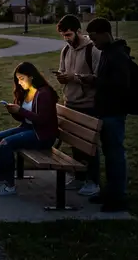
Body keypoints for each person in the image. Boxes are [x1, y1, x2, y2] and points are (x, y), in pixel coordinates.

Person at [0, 62, 59, 197]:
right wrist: (14, 111)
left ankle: (9, 185)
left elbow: (42, 120)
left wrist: (21, 110)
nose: (19, 83)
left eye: (21, 79)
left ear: (31, 77)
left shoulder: (44, 93)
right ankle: (1, 179)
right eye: (18, 79)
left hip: (42, 135)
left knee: (6, 143)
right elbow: (24, 120)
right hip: (28, 128)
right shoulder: (26, 92)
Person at [85, 17, 130, 212]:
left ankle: (118, 196)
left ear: (105, 33)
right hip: (104, 110)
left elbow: (120, 86)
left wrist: (94, 81)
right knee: (108, 152)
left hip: (114, 112)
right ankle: (109, 191)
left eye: (95, 39)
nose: (94, 43)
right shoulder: (106, 53)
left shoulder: (117, 55)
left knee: (115, 154)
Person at [55, 14, 102, 196]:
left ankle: (93, 181)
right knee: (76, 144)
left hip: (88, 104)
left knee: (89, 145)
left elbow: (99, 78)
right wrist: (61, 76)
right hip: (71, 102)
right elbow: (63, 70)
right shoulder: (65, 50)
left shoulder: (93, 50)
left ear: (78, 31)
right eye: (64, 36)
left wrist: (75, 78)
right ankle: (80, 177)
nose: (67, 39)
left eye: (69, 35)